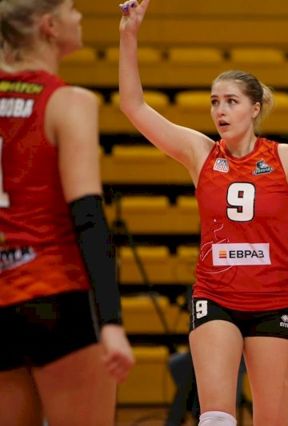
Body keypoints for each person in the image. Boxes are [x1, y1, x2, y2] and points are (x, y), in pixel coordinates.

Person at [118, 1, 288, 425]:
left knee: (271, 420)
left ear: (255, 108)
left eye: (231, 101)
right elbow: (134, 107)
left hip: (275, 301)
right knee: (216, 417)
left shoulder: (285, 158)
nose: (220, 110)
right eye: (214, 101)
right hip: (215, 297)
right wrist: (129, 35)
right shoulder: (200, 153)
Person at [0, 0, 134, 425]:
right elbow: (89, 217)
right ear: (49, 26)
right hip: (56, 294)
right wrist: (111, 321)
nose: (79, 17)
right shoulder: (68, 101)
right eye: (72, 9)